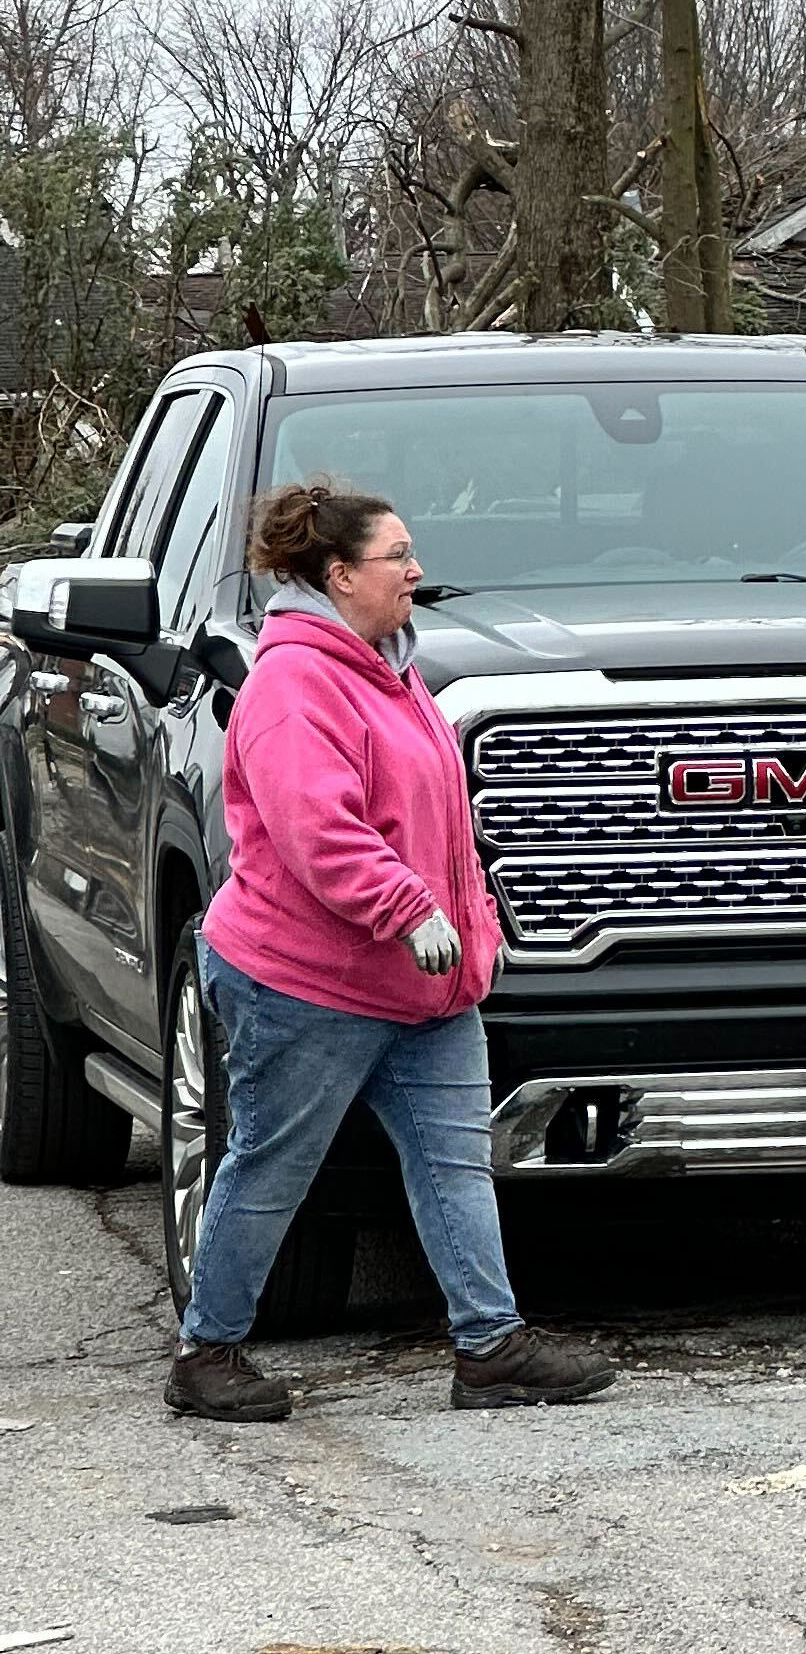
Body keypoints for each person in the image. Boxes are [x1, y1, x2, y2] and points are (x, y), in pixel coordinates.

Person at [166, 481, 616, 1423]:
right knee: (272, 1164)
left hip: (423, 985)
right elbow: (319, 833)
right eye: (396, 556)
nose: (417, 571)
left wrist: (473, 932)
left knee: (455, 1162)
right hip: (308, 982)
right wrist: (410, 910)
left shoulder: (392, 668)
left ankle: (489, 1345)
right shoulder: (294, 684)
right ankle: (208, 1354)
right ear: (337, 574)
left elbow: (440, 823)